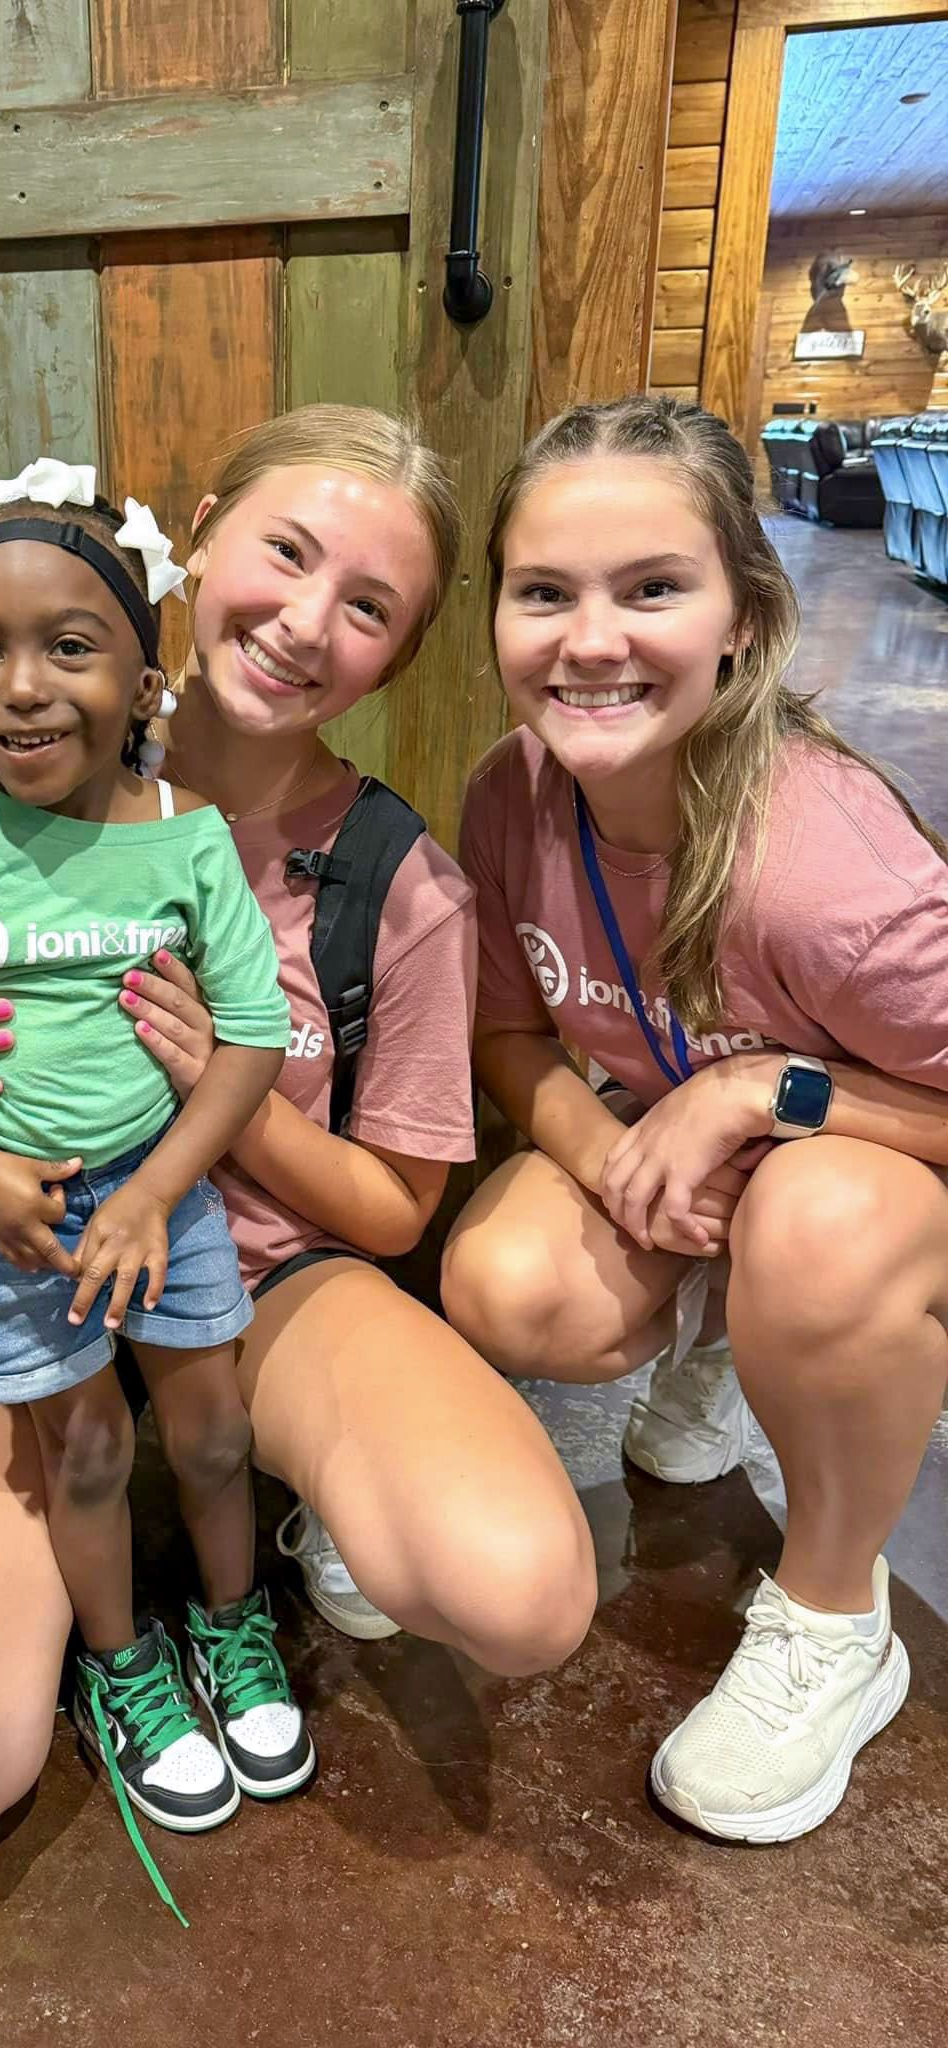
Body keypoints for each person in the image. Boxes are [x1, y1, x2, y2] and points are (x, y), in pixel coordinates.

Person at [0, 405, 597, 1898]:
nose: (306, 622)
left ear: (403, 650)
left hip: (272, 1280)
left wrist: (223, 1095)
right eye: (286, 554)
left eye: (369, 605)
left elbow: (393, 1212)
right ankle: (107, 1627)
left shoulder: (396, 883)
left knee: (520, 1592)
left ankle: (268, 1536)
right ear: (198, 539)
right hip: (31, 1261)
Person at [441, 394, 948, 1844]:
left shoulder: (834, 878)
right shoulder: (513, 794)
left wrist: (759, 1089)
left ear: (745, 616)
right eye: (545, 593)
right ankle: (728, 1332)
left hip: (878, 1159)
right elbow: (508, 1031)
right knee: (507, 1280)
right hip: (684, 1124)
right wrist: (617, 1159)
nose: (590, 642)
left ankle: (836, 1619)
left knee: (818, 1225)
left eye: (653, 589)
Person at [0, 464, 311, 1903]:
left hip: (167, 1197)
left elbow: (252, 1037)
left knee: (211, 1432)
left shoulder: (188, 838)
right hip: (9, 1222)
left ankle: (233, 1623)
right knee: (84, 1451)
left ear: (146, 680)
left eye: (72, 647)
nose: (23, 687)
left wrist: (158, 1193)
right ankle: (122, 1663)